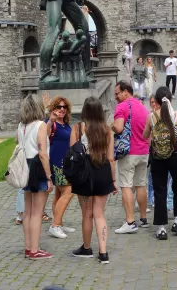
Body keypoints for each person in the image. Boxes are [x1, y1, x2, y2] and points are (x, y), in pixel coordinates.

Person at [70, 97, 116, 264]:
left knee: (87, 214)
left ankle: (87, 247)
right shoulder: (106, 130)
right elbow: (111, 158)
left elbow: (73, 154)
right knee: (99, 214)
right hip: (103, 170)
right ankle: (103, 252)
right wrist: (113, 180)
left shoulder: (78, 128)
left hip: (84, 173)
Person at [143, 87, 177, 240]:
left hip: (157, 156)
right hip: (175, 153)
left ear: (155, 100)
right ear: (171, 99)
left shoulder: (151, 117)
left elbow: (145, 135)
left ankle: (161, 228)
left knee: (160, 190)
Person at [17, 94, 54, 259]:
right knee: (37, 212)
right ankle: (35, 249)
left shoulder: (21, 125)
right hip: (37, 166)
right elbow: (43, 153)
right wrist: (49, 177)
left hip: (25, 166)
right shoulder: (40, 125)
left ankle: (28, 247)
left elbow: (17, 142)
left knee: (28, 211)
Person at [112, 80, 150, 233]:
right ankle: (143, 218)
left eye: (117, 93)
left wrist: (112, 126)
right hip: (143, 151)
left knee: (126, 185)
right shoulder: (143, 107)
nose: (115, 97)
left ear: (125, 92)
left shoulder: (122, 106)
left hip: (128, 152)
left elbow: (119, 127)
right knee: (141, 185)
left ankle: (130, 222)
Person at [46, 96, 76, 240]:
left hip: (66, 163)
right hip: (57, 164)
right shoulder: (52, 123)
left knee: (58, 195)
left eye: (64, 107)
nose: (62, 109)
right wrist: (50, 119)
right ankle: (55, 226)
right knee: (68, 192)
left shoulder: (65, 124)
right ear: (54, 109)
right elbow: (44, 135)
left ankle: (58, 222)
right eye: (58, 107)